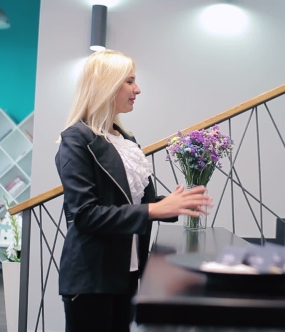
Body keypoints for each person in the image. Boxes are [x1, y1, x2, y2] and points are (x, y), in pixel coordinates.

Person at [55, 49, 212, 332]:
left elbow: (141, 203)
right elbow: (85, 216)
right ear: (106, 84)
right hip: (92, 278)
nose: (137, 89)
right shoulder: (76, 140)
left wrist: (176, 204)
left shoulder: (126, 140)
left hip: (128, 273)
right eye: (129, 81)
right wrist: (154, 209)